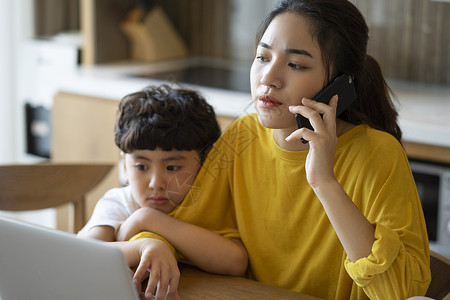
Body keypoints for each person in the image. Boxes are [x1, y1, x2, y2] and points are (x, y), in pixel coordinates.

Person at [117, 0, 431, 299]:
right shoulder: (243, 136)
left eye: (295, 64)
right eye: (263, 57)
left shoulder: (377, 154)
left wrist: (324, 181)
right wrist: (151, 241)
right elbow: (187, 227)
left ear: (339, 85)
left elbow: (401, 293)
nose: (269, 78)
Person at [77, 84, 248, 300]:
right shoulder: (119, 202)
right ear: (124, 166)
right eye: (141, 167)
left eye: (172, 168)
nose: (156, 183)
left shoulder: (206, 203)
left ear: (206, 165)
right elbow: (86, 254)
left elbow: (235, 263)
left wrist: (147, 219)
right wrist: (145, 246)